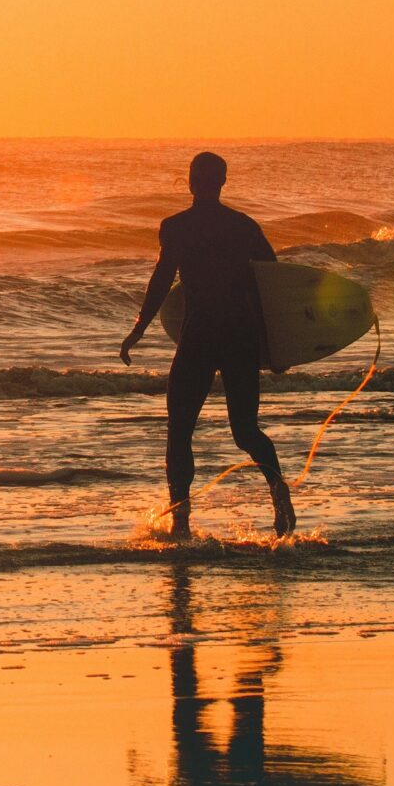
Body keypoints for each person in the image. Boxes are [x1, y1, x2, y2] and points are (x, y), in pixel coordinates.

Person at [119, 152, 294, 539]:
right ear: (224, 182)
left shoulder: (176, 227)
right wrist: (278, 347)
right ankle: (278, 489)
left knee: (180, 429)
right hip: (240, 335)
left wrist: (139, 329)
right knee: (246, 430)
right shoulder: (244, 226)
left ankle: (180, 519)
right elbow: (273, 285)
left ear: (190, 182)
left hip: (199, 335)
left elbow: (162, 281)